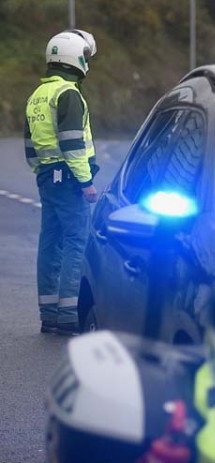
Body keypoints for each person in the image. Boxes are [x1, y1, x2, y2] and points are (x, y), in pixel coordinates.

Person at [24, 29, 100, 337]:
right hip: (69, 179)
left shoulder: (37, 95)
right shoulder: (68, 94)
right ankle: (69, 315)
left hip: (47, 176)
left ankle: (50, 314)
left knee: (50, 244)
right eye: (85, 56)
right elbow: (72, 144)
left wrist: (45, 173)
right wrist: (86, 182)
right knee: (75, 243)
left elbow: (30, 150)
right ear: (75, 58)